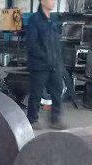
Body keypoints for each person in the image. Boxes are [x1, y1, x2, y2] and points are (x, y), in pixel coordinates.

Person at [25, 0, 65, 130]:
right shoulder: (35, 20)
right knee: (36, 94)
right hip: (40, 65)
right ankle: (32, 119)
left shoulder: (53, 19)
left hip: (54, 64)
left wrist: (57, 59)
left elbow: (56, 41)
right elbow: (31, 44)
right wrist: (45, 57)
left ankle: (55, 120)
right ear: (42, 1)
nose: (53, 2)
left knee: (57, 91)